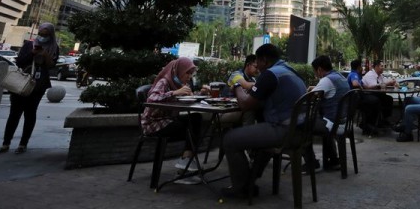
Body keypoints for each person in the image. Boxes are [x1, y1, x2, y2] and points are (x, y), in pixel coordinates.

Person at [221, 43, 306, 198]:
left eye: (258, 62)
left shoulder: (270, 74)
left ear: (265, 60)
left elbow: (246, 104)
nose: (257, 67)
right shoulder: (291, 72)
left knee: (229, 139)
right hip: (301, 130)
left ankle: (242, 187)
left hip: (284, 131)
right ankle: (249, 180)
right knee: (260, 131)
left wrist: (238, 86)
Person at [0, 23, 60, 155]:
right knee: (14, 113)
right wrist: (32, 53)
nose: (42, 37)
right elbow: (19, 62)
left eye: (46, 35)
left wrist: (45, 54)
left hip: (38, 84)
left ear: (51, 35)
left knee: (30, 113)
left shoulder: (54, 47)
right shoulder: (29, 45)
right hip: (22, 81)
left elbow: (51, 66)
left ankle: (23, 144)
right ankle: (6, 143)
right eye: (41, 34)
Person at [139, 56, 203, 171]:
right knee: (186, 127)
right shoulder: (164, 81)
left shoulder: (180, 84)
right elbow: (151, 98)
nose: (189, 77)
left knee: (196, 118)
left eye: (191, 74)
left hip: (168, 120)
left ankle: (186, 158)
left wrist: (200, 93)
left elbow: (187, 98)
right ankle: (185, 162)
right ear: (179, 70)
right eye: (187, 73)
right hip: (153, 124)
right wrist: (174, 93)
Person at [302, 55, 350, 171]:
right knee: (319, 122)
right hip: (344, 122)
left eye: (315, 72)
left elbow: (308, 98)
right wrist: (316, 87)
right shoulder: (339, 76)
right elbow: (328, 89)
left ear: (319, 69)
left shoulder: (326, 80)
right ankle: (332, 159)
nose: (316, 75)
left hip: (333, 124)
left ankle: (311, 162)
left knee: (302, 126)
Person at [361, 59, 396, 132]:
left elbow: (384, 83)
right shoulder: (370, 74)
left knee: (388, 99)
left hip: (376, 94)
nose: (383, 68)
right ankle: (369, 123)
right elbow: (373, 86)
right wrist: (386, 84)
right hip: (367, 94)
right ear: (376, 67)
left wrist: (392, 83)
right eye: (381, 66)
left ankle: (384, 119)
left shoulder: (380, 76)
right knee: (375, 101)